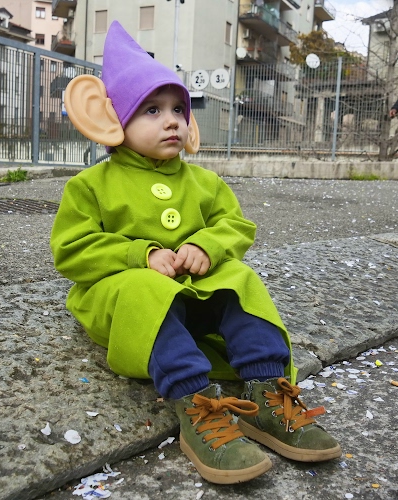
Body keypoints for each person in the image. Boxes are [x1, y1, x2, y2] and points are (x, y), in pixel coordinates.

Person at [50, 20, 341, 485]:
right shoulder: (90, 185)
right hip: (123, 300)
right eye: (151, 109)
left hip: (192, 295)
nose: (171, 120)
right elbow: (72, 249)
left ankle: (267, 390)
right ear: (114, 120)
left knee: (240, 278)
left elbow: (235, 225)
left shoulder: (204, 182)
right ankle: (196, 404)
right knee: (145, 288)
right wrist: (140, 256)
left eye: (178, 109)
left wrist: (207, 244)